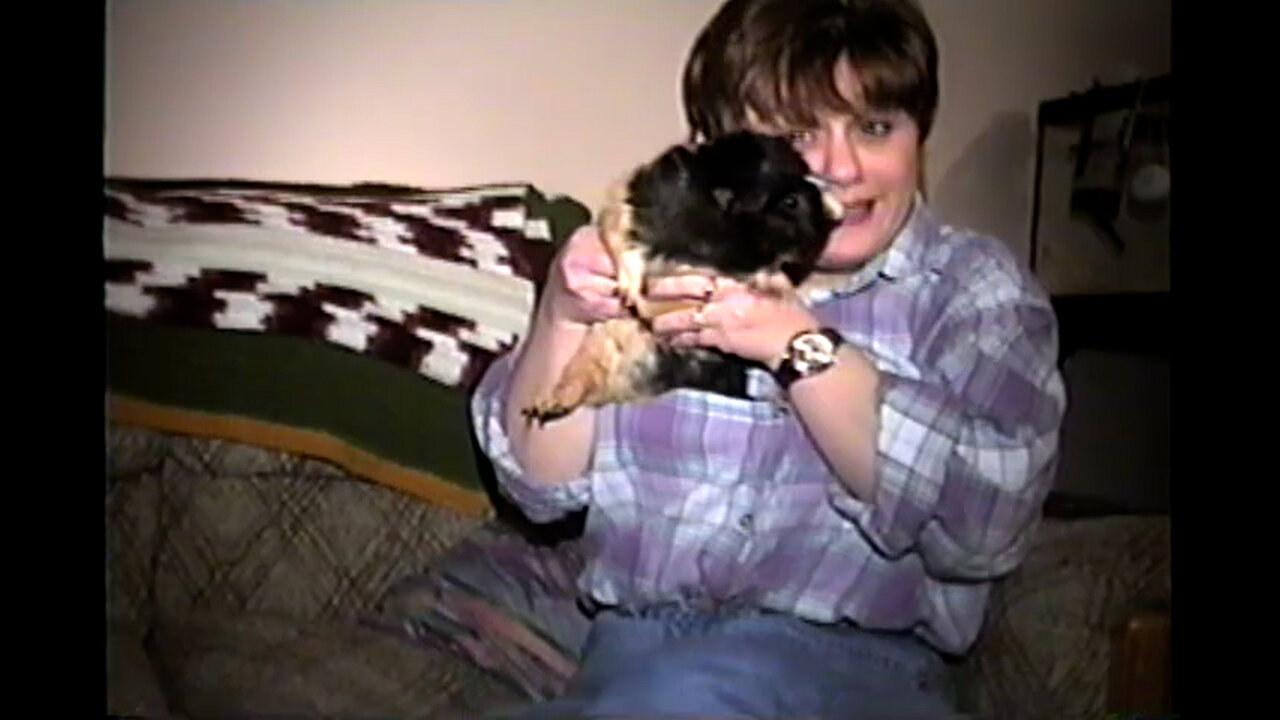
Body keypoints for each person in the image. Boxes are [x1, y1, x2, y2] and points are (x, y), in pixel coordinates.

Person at [468, 0, 1067, 717]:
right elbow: (537, 487)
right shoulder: (656, 269)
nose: (840, 167)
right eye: (797, 132)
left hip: (853, 670)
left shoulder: (972, 291)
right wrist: (564, 319)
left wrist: (796, 345)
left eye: (876, 127)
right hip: (625, 664)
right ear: (717, 144)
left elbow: (988, 528)